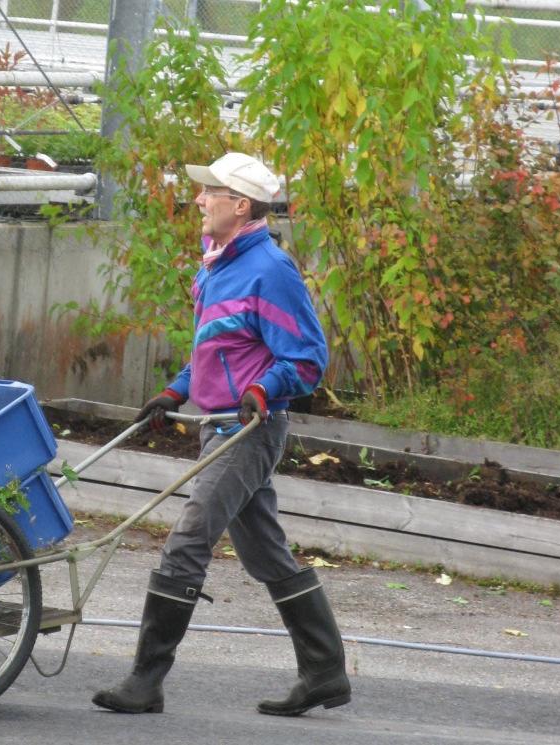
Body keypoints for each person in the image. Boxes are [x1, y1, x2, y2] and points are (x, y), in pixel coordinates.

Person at [92, 152, 351, 717]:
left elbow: (307, 357)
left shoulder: (270, 270)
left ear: (240, 205)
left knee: (188, 540)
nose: (199, 200)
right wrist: (175, 390)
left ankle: (146, 680)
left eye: (210, 192)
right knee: (267, 556)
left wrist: (264, 389)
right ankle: (326, 673)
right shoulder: (215, 268)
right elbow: (218, 352)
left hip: (248, 430)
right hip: (218, 427)